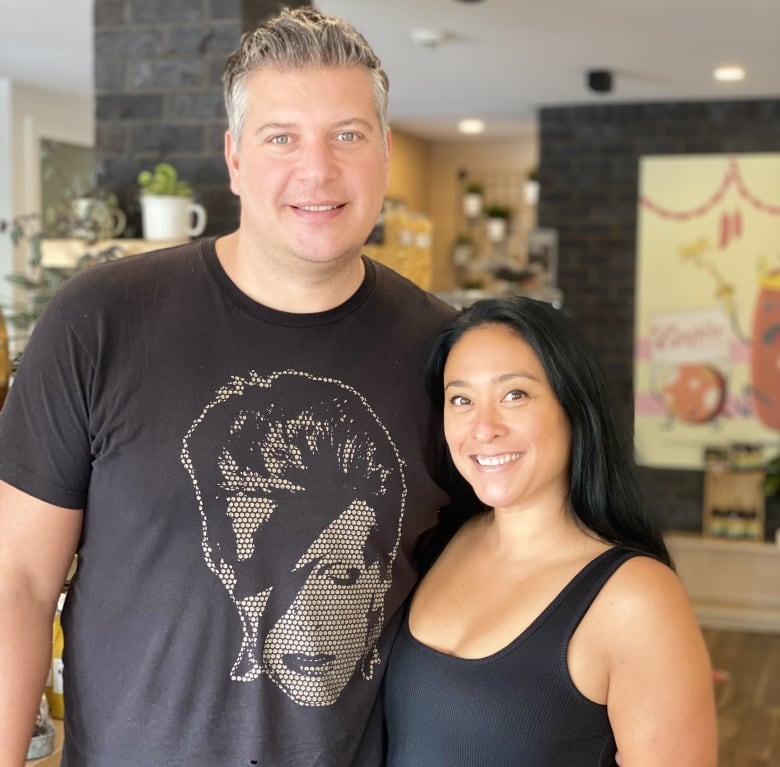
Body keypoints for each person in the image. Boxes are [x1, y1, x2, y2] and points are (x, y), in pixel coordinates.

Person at [0, 8, 472, 766]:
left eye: (347, 135)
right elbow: (18, 578)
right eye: (281, 136)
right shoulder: (101, 320)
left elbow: (507, 578)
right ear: (235, 159)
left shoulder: (449, 354)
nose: (316, 170)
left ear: (384, 152)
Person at [383, 296, 719, 767]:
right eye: (461, 399)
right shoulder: (443, 539)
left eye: (514, 395)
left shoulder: (635, 599)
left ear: (573, 406)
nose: (483, 428)